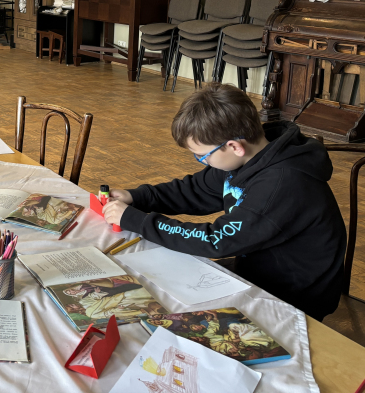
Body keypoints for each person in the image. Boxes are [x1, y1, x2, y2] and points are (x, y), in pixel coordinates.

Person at [102, 83, 347, 321]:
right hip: (257, 270)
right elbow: (194, 190)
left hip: (293, 296)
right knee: (155, 288)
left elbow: (216, 239)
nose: (202, 162)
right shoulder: (250, 155)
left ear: (234, 146)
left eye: (202, 156)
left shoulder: (282, 185)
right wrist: (138, 197)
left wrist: (137, 221)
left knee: (168, 310)